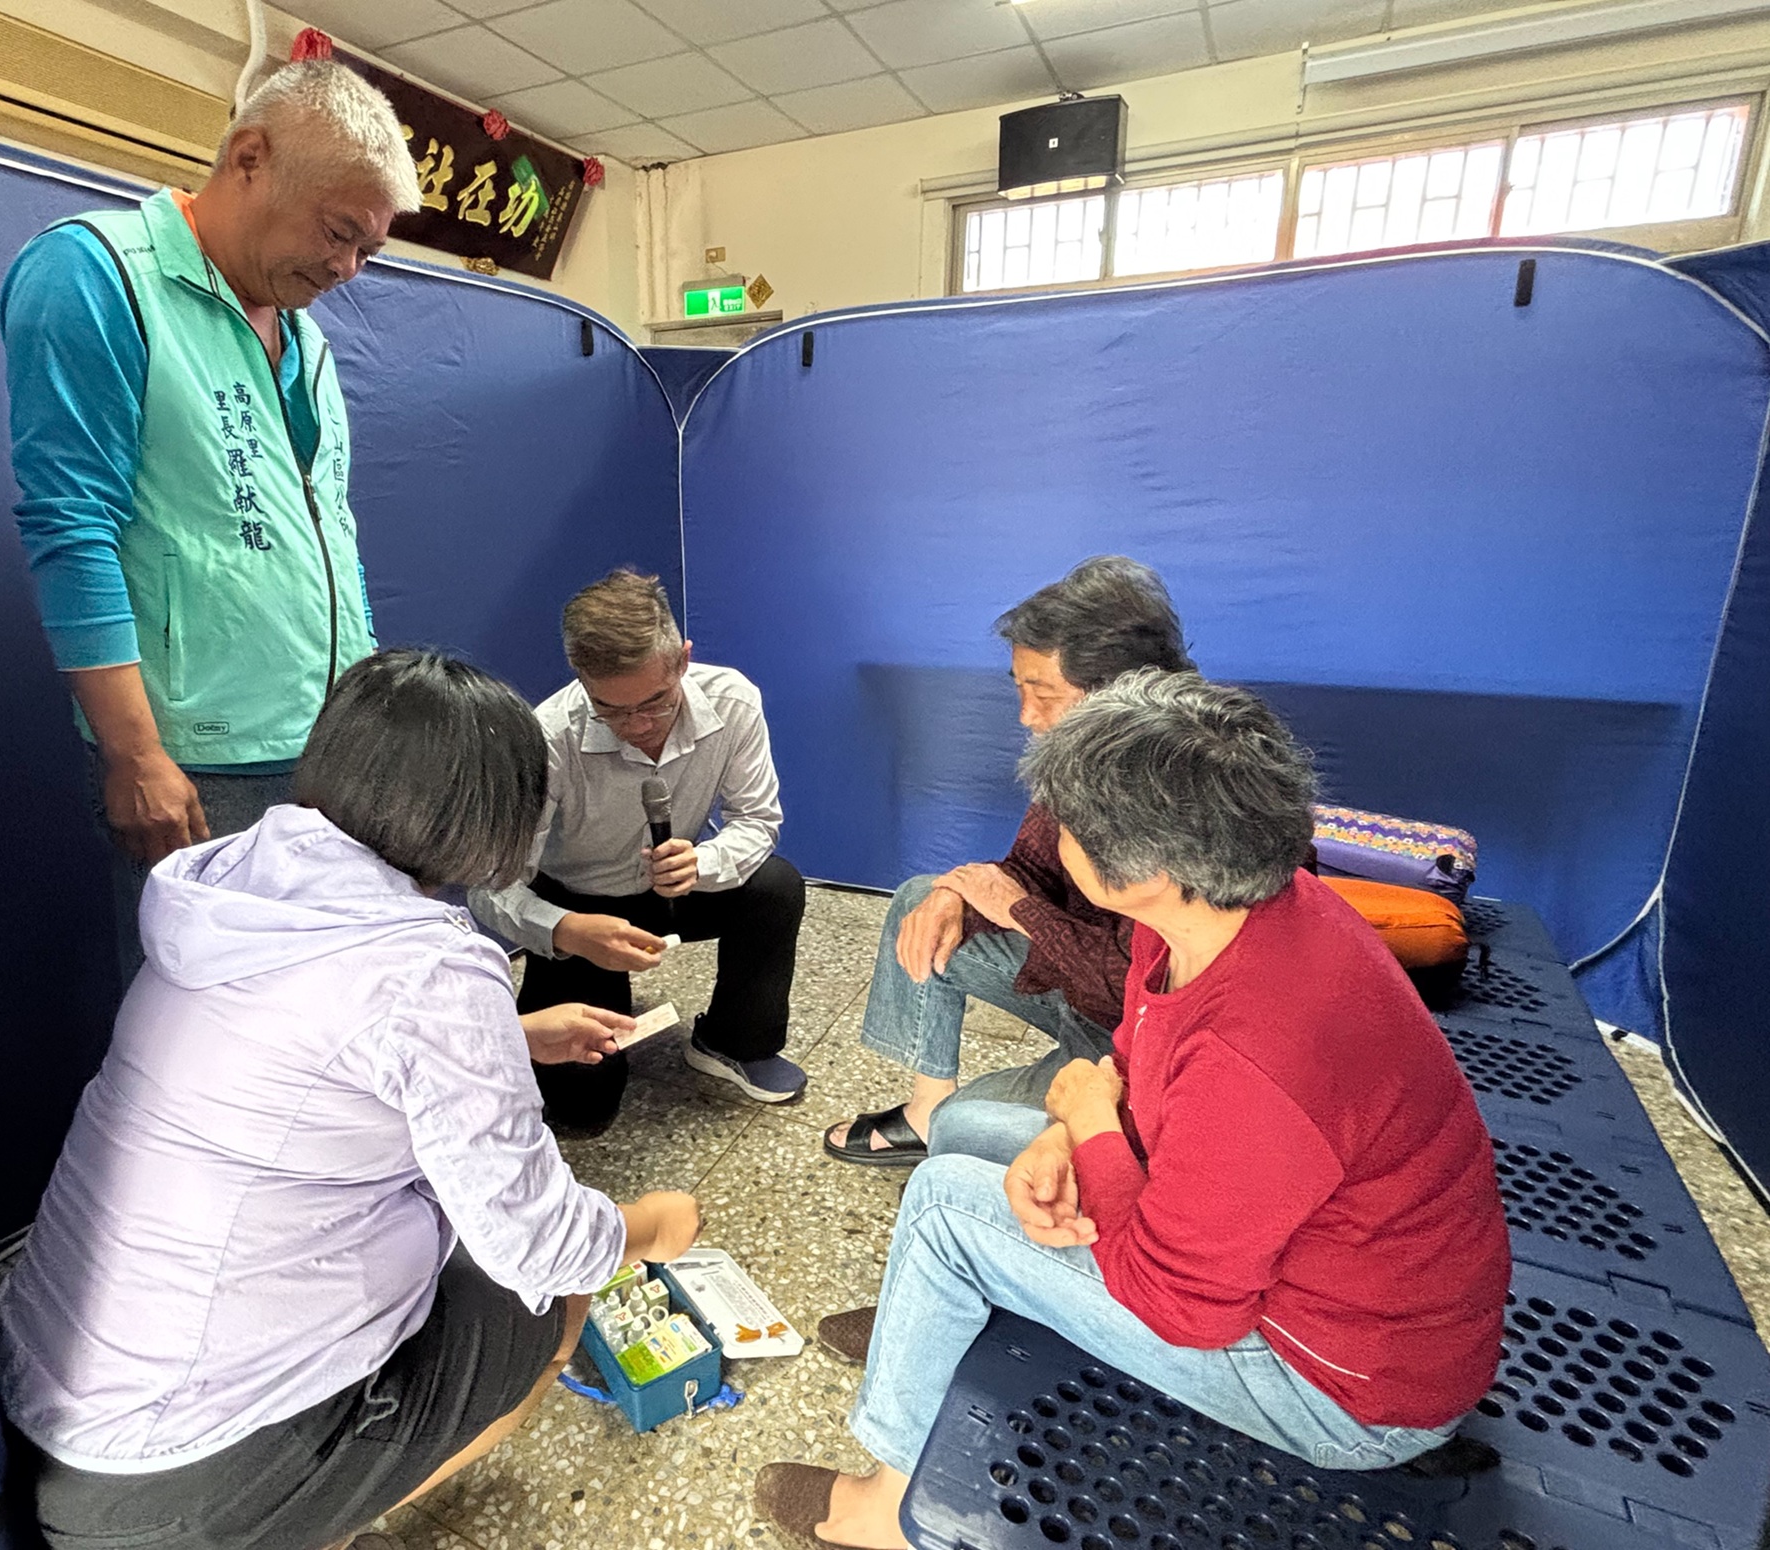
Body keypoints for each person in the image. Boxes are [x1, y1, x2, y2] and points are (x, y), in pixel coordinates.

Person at [759, 671, 1511, 1549]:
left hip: (1345, 1392)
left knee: (942, 1209)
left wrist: (1089, 1130)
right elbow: (1143, 1044)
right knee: (963, 1131)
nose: (1052, 839)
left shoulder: (1262, 1056)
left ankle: (885, 1510)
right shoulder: (1216, 910)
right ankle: (938, 1319)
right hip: (1300, 1266)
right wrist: (1069, 1129)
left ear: (1147, 867)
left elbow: (1183, 1308)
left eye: (1066, 826)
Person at [0, 650, 701, 1550]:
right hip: (177, 1472)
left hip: (39, 1397)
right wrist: (651, 1226)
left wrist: (512, 1037)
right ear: (495, 816)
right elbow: (541, 1244)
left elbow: (297, 1059)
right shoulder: (432, 970)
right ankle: (311, 1524)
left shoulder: (228, 885)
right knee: (538, 1305)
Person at [2, 60, 421, 984]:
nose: (347, 269)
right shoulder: (97, 273)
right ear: (250, 157)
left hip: (330, 744)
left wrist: (370, 717)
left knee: (323, 997)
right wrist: (135, 754)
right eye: (339, 232)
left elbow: (330, 534)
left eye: (368, 251)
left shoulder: (306, 338)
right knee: (210, 1014)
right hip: (203, 758)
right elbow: (70, 524)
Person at [823, 557, 1192, 1170]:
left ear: (1115, 692)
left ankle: (949, 1125)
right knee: (923, 898)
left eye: (1042, 693)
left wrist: (1016, 908)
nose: (1025, 715)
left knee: (963, 1131)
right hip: (1081, 991)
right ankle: (925, 1111)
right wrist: (958, 893)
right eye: (1019, 688)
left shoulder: (1172, 797)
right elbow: (1027, 870)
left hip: (1135, 1039)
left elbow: (1133, 986)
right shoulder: (1087, 757)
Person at [471, 570, 807, 1134]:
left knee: (775, 886)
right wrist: (567, 931)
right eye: (610, 710)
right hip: (578, 905)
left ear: (683, 661)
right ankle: (576, 1029)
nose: (638, 726)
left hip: (675, 884)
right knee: (581, 1110)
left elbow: (757, 820)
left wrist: (703, 863)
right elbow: (489, 883)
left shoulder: (733, 700)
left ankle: (733, 1041)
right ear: (580, 678)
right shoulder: (546, 737)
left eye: (655, 701)